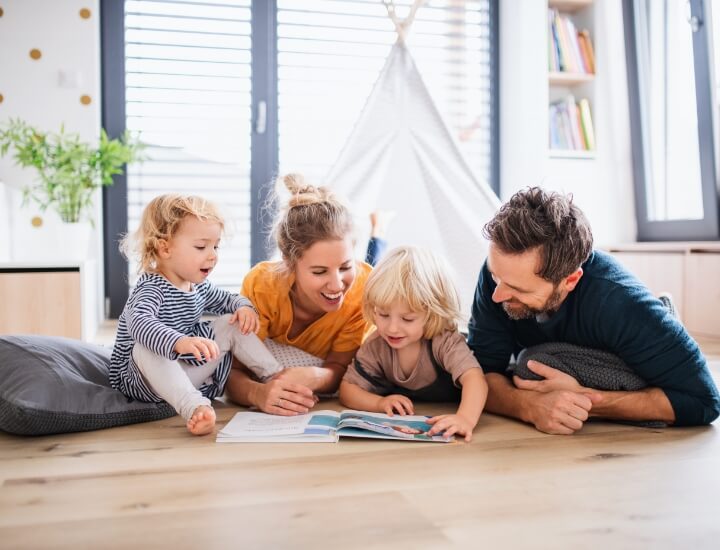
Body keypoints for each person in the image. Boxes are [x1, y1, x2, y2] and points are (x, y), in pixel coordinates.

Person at [467, 187, 720, 435]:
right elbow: (478, 374)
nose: (496, 295)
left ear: (570, 280)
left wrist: (586, 401)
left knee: (530, 365)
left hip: (629, 347)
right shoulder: (501, 275)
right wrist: (528, 407)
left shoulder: (620, 303)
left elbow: (705, 401)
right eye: (495, 276)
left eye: (517, 288)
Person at [110, 194, 281, 435]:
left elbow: (228, 299)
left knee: (228, 322)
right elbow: (139, 323)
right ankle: (194, 406)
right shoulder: (151, 289)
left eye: (215, 246)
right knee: (144, 346)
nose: (212, 255)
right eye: (201, 247)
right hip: (143, 380)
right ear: (165, 247)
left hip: (183, 372)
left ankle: (275, 375)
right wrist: (178, 342)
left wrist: (244, 307)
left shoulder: (198, 286)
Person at [224, 174, 378, 415]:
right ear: (290, 263)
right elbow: (231, 371)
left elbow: (340, 367)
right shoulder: (263, 286)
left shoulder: (362, 288)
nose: (337, 285)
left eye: (346, 267)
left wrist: (318, 376)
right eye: (319, 272)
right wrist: (258, 394)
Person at [339, 246, 488, 441]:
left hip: (456, 408)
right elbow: (347, 389)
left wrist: (465, 418)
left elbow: (475, 379)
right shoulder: (376, 344)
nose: (392, 328)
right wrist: (379, 403)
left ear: (432, 315)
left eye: (407, 319)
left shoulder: (443, 340)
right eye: (383, 314)